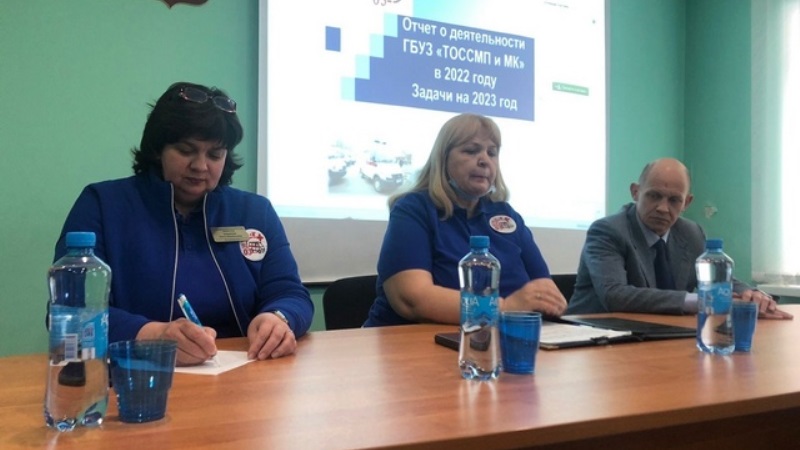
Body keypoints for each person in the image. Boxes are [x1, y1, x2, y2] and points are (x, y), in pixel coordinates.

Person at [53, 82, 314, 366]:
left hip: (243, 372)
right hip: (136, 374)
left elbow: (290, 293)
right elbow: (71, 312)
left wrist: (278, 318)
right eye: (186, 150)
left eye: (215, 154)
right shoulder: (102, 205)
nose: (201, 166)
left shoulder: (254, 211)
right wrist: (153, 336)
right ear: (158, 149)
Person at [363, 113, 567, 327]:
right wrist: (503, 308)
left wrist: (549, 304)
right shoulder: (413, 209)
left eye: (492, 153)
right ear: (443, 159)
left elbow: (544, 291)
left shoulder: (506, 215)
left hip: (498, 338)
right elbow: (412, 300)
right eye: (471, 150)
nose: (484, 160)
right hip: (410, 340)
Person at [567, 157, 793, 319]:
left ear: (687, 202)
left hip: (658, 334)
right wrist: (700, 301)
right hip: (592, 338)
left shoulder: (691, 233)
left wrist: (751, 294)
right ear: (635, 192)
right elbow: (615, 295)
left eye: (674, 200)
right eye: (654, 196)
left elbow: (721, 281)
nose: (663, 208)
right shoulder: (608, 231)